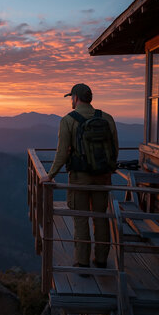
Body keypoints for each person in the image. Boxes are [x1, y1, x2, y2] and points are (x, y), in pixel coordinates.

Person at [42, 83, 118, 269]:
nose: (71, 101)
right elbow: (114, 149)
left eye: (71, 97)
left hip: (79, 177)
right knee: (101, 217)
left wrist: (50, 175)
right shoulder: (107, 118)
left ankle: (82, 261)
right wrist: (107, 169)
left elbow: (62, 153)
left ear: (75, 98)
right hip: (102, 176)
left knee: (80, 217)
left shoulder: (68, 120)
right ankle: (101, 259)